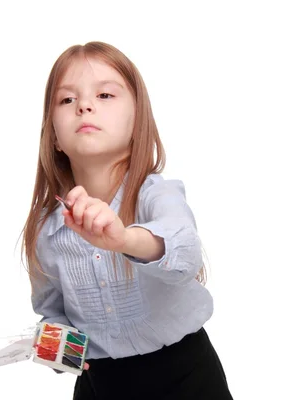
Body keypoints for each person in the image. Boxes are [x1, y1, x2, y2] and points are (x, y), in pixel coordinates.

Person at [21, 41, 233, 400]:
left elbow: (182, 253)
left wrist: (122, 240)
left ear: (138, 123)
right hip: (101, 384)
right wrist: (49, 346)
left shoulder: (158, 194)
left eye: (105, 95)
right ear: (54, 137)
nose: (85, 105)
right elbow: (55, 314)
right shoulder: (47, 231)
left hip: (185, 376)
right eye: (67, 99)